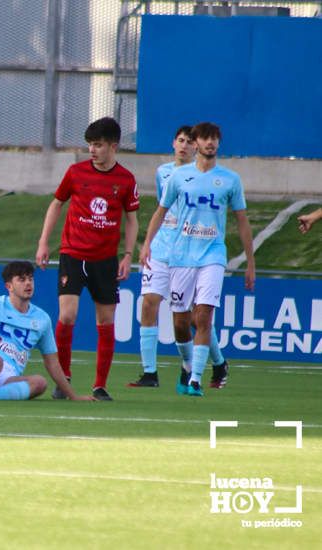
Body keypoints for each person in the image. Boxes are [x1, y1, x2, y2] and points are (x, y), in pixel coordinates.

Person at [140, 122, 255, 397]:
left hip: (213, 255)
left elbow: (242, 221)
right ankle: (192, 364)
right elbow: (160, 211)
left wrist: (250, 261)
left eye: (215, 138)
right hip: (181, 256)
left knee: (203, 315)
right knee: (181, 322)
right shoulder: (178, 177)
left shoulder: (230, 180)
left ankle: (195, 379)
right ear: (197, 142)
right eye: (205, 138)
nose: (210, 143)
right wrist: (146, 245)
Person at [35, 117, 139, 401]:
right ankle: (63, 379)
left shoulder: (126, 180)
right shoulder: (76, 172)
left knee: (105, 321)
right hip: (72, 254)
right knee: (67, 315)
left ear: (113, 146)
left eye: (98, 145)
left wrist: (128, 255)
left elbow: (132, 220)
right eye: (90, 145)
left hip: (105, 260)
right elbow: (56, 204)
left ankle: (100, 385)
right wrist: (44, 242)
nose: (92, 150)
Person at [131, 126, 230, 389]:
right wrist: (148, 243)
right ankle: (150, 373)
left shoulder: (205, 176)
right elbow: (161, 210)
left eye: (189, 142)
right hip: (162, 249)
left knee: (195, 317)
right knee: (149, 303)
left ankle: (215, 362)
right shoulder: (164, 172)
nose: (184, 146)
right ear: (173, 143)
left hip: (188, 250)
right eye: (181, 141)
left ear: (196, 146)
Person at [0, 261, 95, 401]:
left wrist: (73, 396)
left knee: (40, 383)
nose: (28, 283)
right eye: (21, 280)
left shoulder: (42, 319)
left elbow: (52, 363)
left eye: (30, 279)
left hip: (8, 375)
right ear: (9, 286)